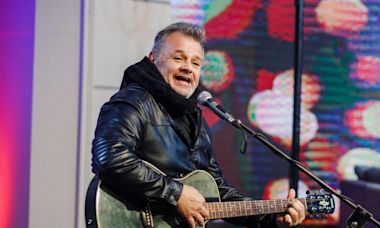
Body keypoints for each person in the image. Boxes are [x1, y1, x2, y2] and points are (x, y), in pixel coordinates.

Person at [91, 22, 305, 228]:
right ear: (153, 58)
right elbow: (109, 156)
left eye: (195, 63)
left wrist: (271, 218)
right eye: (178, 58)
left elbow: (217, 192)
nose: (187, 68)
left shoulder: (195, 120)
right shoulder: (133, 102)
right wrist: (176, 193)